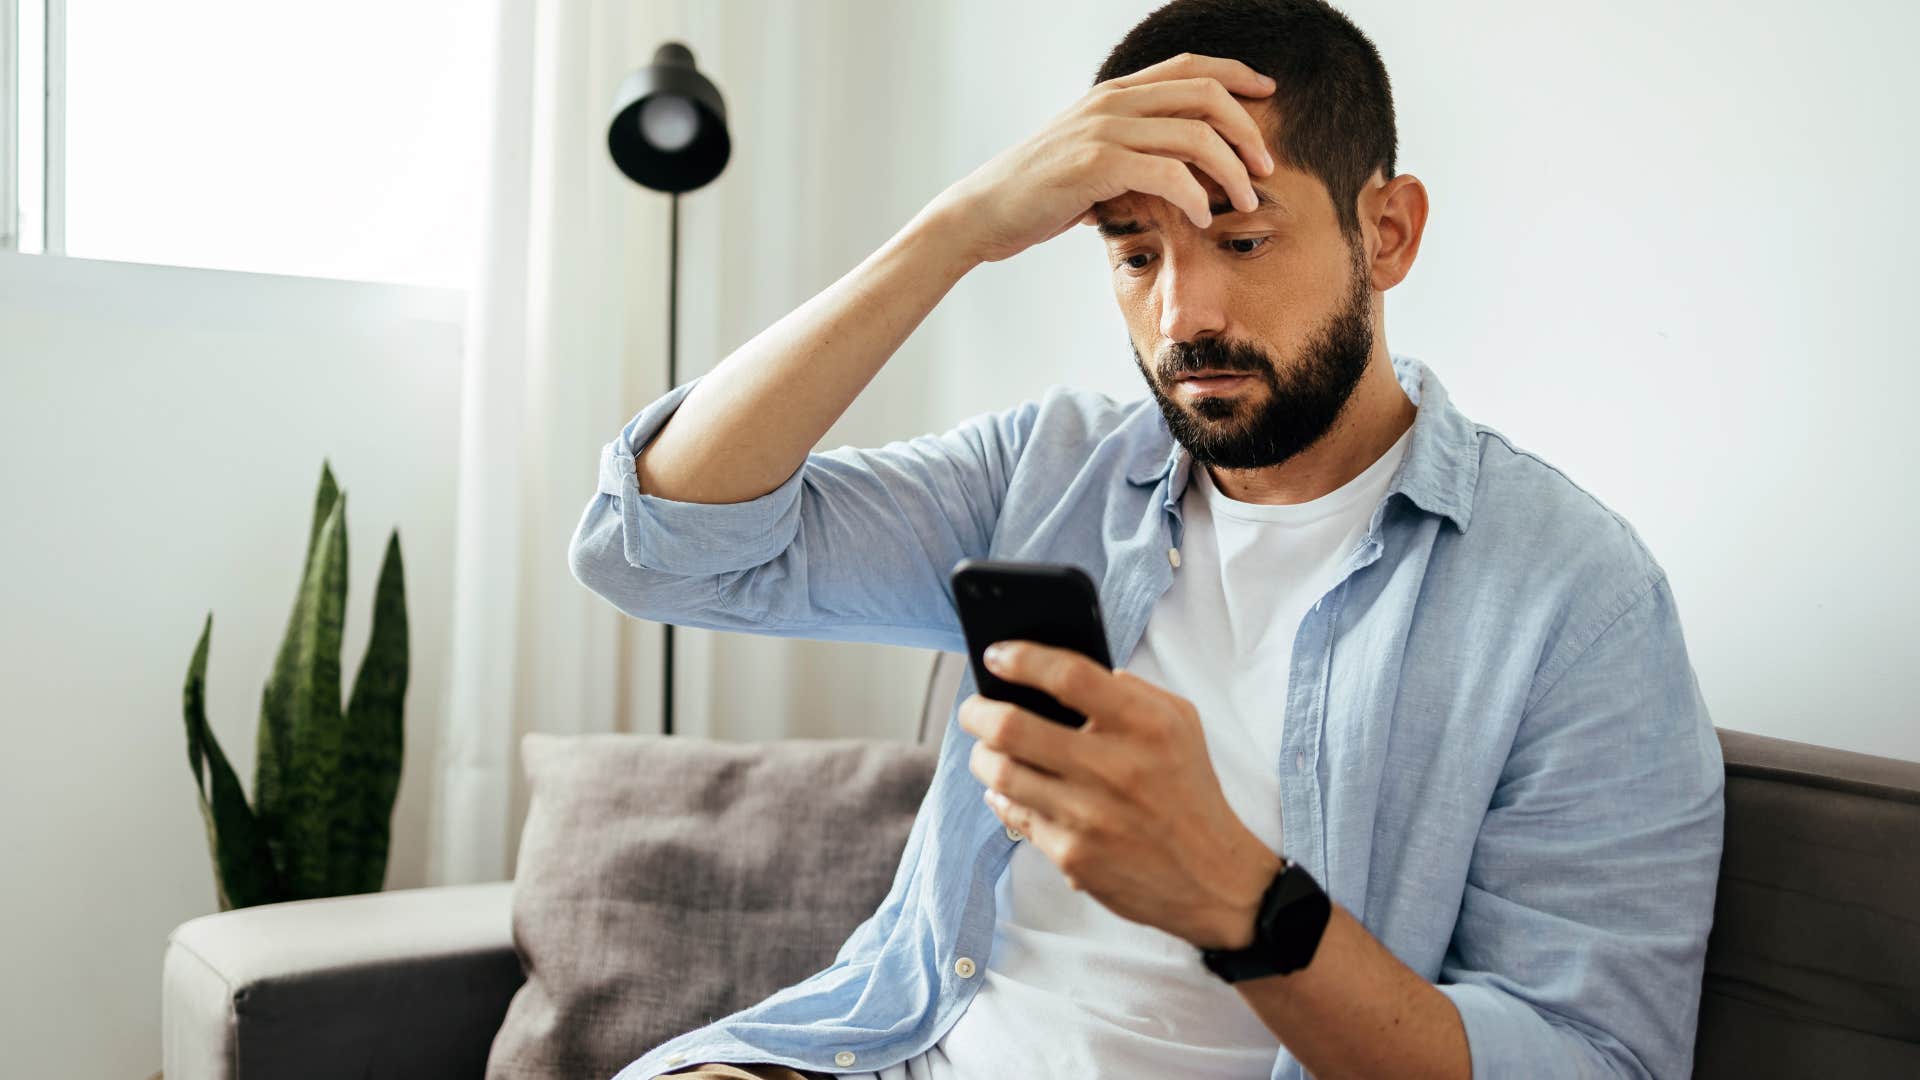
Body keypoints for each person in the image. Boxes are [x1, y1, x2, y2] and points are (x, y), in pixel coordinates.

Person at [567, 1, 1725, 1077]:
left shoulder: (1574, 598)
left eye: (1243, 241)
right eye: (1134, 252)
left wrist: (1238, 898)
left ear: (1388, 231)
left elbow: (1596, 1056)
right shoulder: (1052, 472)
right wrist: (958, 230)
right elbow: (658, 543)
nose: (1184, 316)